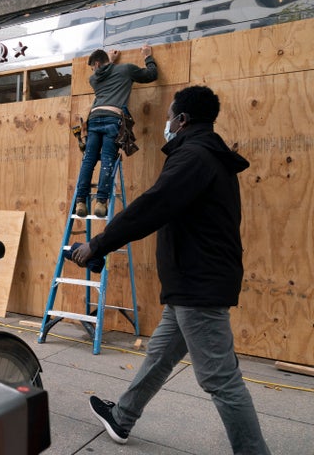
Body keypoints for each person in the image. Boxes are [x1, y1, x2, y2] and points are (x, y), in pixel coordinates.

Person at [69, 86, 271, 454]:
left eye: (169, 116)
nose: (167, 123)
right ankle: (123, 416)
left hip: (199, 283)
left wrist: (96, 244)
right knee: (161, 355)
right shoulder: (205, 154)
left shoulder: (193, 157)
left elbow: (152, 206)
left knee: (221, 380)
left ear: (183, 119)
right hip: (190, 281)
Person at [76, 45, 158, 218]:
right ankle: (100, 202)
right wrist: (147, 57)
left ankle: (81, 202)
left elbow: (103, 73)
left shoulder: (94, 79)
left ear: (97, 65)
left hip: (94, 119)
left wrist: (110, 61)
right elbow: (151, 75)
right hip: (113, 119)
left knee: (88, 160)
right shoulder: (126, 70)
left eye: (93, 67)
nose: (93, 71)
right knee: (107, 159)